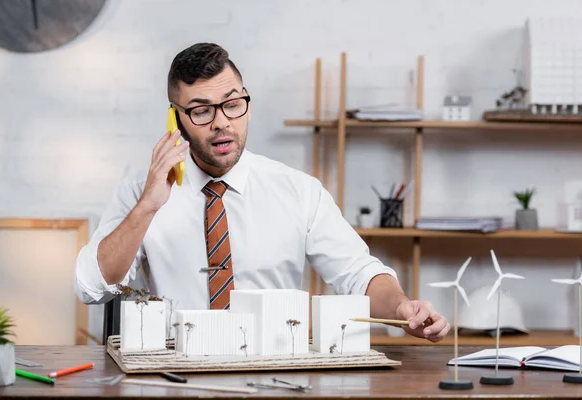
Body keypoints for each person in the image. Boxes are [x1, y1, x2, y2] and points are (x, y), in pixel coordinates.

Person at [74, 42, 449, 343]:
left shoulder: (299, 191)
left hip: (275, 368)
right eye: (201, 111)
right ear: (176, 119)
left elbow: (357, 273)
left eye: (233, 105)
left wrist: (402, 308)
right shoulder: (140, 194)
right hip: (176, 370)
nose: (222, 123)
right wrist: (147, 207)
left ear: (247, 105)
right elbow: (90, 287)